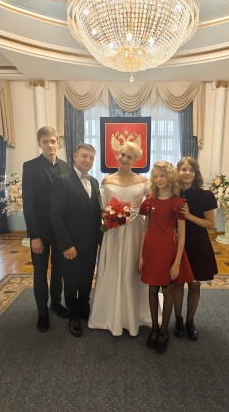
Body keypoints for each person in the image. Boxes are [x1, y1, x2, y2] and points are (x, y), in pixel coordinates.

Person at [88, 142, 151, 336]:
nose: (124, 159)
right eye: (122, 154)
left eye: (129, 157)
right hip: (113, 230)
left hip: (134, 231)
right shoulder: (106, 180)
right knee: (113, 267)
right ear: (118, 154)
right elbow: (100, 207)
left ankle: (133, 316)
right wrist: (109, 215)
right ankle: (108, 315)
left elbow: (153, 204)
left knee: (131, 270)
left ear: (136, 160)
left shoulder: (143, 181)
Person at [138, 161, 194, 354]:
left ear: (170, 176)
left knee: (167, 289)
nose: (159, 179)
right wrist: (141, 255)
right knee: (152, 288)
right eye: (155, 176)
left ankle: (164, 330)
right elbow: (145, 228)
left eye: (162, 175)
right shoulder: (150, 200)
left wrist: (177, 262)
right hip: (151, 250)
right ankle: (154, 327)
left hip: (169, 250)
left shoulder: (178, 202)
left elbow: (182, 235)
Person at [22, 126, 72, 333]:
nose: (50, 145)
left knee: (59, 271)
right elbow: (28, 204)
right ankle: (42, 312)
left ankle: (56, 304)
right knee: (40, 273)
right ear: (39, 144)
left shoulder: (67, 167)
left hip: (60, 232)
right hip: (40, 233)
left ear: (58, 143)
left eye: (53, 141)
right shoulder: (30, 167)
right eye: (45, 142)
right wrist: (34, 236)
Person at [50, 143, 103, 337]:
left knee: (86, 279)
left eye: (91, 158)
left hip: (90, 243)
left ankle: (83, 308)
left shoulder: (94, 182)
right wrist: (66, 245)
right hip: (71, 244)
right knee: (71, 281)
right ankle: (73, 315)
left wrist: (102, 237)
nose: (88, 160)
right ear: (75, 156)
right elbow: (56, 215)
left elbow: (96, 214)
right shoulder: (62, 181)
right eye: (84, 156)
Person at [172, 156, 219, 341]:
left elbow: (211, 224)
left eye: (191, 170)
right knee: (177, 284)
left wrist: (190, 216)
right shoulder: (172, 194)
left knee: (194, 285)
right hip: (176, 244)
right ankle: (178, 319)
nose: (187, 173)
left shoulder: (204, 195)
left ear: (196, 173)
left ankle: (190, 321)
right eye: (184, 169)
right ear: (177, 172)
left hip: (198, 244)